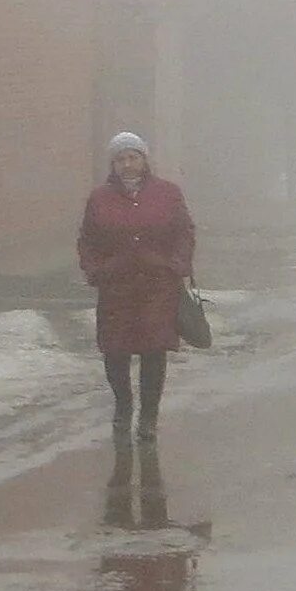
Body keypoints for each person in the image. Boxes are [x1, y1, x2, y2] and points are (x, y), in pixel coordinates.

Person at [76, 132, 195, 439]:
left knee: (154, 352)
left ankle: (148, 418)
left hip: (157, 286)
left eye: (133, 157)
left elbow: (184, 232)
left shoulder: (167, 193)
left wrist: (177, 265)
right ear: (112, 164)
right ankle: (123, 407)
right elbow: (87, 240)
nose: (127, 164)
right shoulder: (100, 198)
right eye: (120, 159)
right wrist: (96, 270)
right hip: (117, 287)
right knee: (115, 351)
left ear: (144, 159)